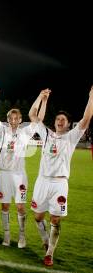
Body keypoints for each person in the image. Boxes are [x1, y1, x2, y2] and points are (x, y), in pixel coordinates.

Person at [29, 86, 93, 266]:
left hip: (59, 184)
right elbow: (32, 114)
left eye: (63, 119)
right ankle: (44, 240)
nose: (59, 121)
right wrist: (41, 97)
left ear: (68, 123)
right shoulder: (47, 134)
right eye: (57, 119)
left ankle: (49, 252)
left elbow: (87, 117)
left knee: (55, 219)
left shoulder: (71, 137)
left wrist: (91, 96)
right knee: (38, 217)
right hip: (42, 181)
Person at [0, 87, 48, 248]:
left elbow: (38, 118)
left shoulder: (25, 132)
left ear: (20, 120)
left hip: (19, 175)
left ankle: (22, 236)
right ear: (8, 119)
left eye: (16, 118)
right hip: (4, 174)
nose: (14, 121)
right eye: (11, 118)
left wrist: (43, 99)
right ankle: (7, 235)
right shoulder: (3, 130)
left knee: (20, 206)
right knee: (5, 205)